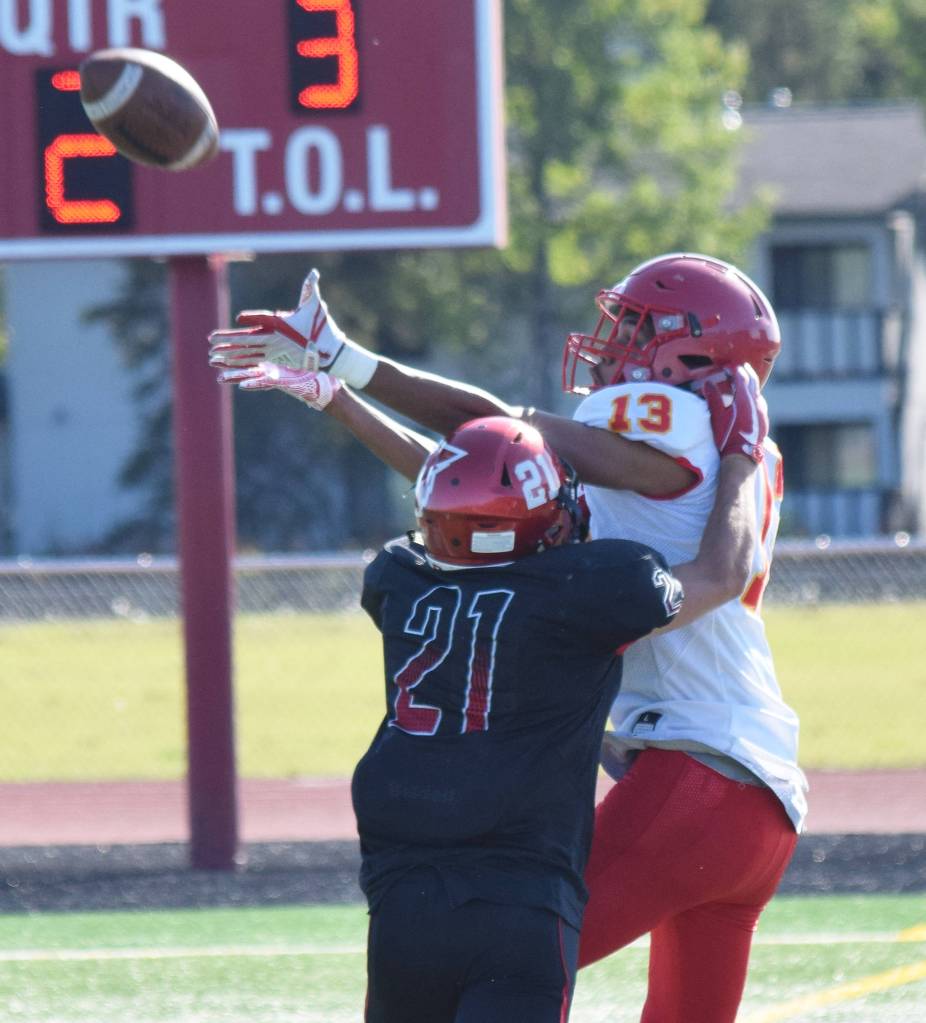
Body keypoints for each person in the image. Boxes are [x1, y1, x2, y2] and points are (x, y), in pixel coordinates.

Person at [209, 253, 807, 1022]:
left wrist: (354, 363)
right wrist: (339, 397)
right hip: (758, 798)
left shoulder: (679, 415)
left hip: (691, 780)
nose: (610, 341)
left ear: (689, 354)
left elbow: (500, 429)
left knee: (488, 960)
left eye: (631, 326)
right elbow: (476, 483)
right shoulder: (720, 451)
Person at [271, 388, 763, 1022]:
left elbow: (457, 496)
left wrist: (340, 399)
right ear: (549, 521)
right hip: (521, 898)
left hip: (402, 899)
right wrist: (741, 457)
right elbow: (725, 571)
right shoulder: (591, 588)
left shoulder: (398, 578)